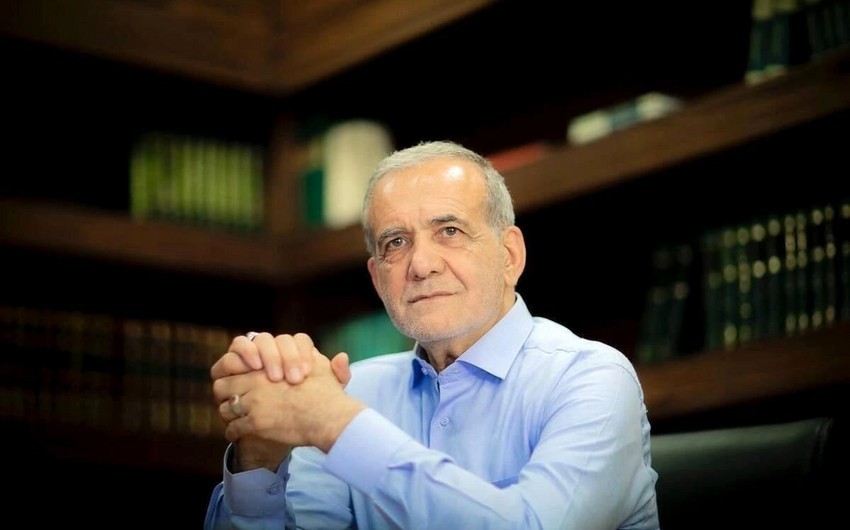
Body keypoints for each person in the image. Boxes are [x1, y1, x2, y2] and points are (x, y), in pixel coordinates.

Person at [204, 140, 660, 529]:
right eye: (396, 243)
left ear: (509, 256)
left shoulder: (592, 377)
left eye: (449, 231)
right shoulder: (351, 390)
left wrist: (335, 425)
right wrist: (259, 458)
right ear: (377, 278)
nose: (421, 265)